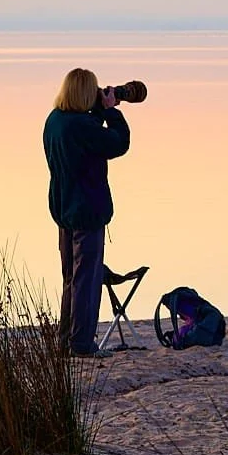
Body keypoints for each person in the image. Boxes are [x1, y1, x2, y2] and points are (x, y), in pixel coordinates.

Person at [43, 68, 131, 356]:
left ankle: (66, 340)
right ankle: (81, 344)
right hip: (87, 210)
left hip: (63, 207)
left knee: (71, 277)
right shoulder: (82, 126)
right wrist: (110, 111)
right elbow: (118, 143)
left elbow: (84, 138)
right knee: (87, 279)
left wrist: (97, 112)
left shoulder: (55, 121)